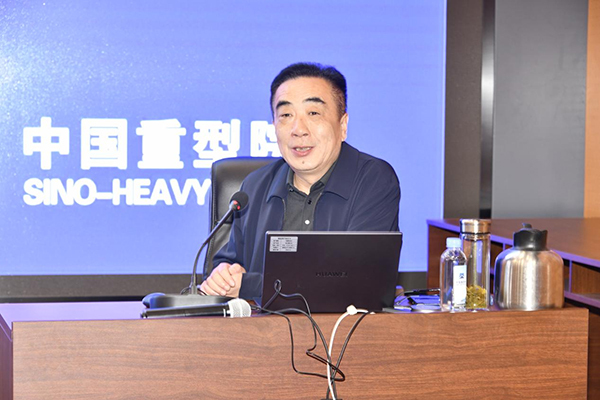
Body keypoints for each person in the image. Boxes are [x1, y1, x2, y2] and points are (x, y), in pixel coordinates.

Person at [200, 62, 400, 299]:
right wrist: (223, 274)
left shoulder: (373, 180)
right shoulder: (254, 186)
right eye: (286, 115)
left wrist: (248, 285)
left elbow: (355, 280)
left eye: (313, 113)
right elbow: (230, 261)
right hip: (261, 323)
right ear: (274, 126)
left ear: (343, 125)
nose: (298, 129)